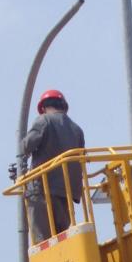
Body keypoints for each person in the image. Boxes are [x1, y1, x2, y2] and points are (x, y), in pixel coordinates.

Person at [21, 89, 85, 244]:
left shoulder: (43, 121)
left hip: (42, 190)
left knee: (43, 242)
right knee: (61, 239)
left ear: (43, 108)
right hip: (66, 193)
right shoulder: (77, 130)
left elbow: (26, 146)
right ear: (64, 106)